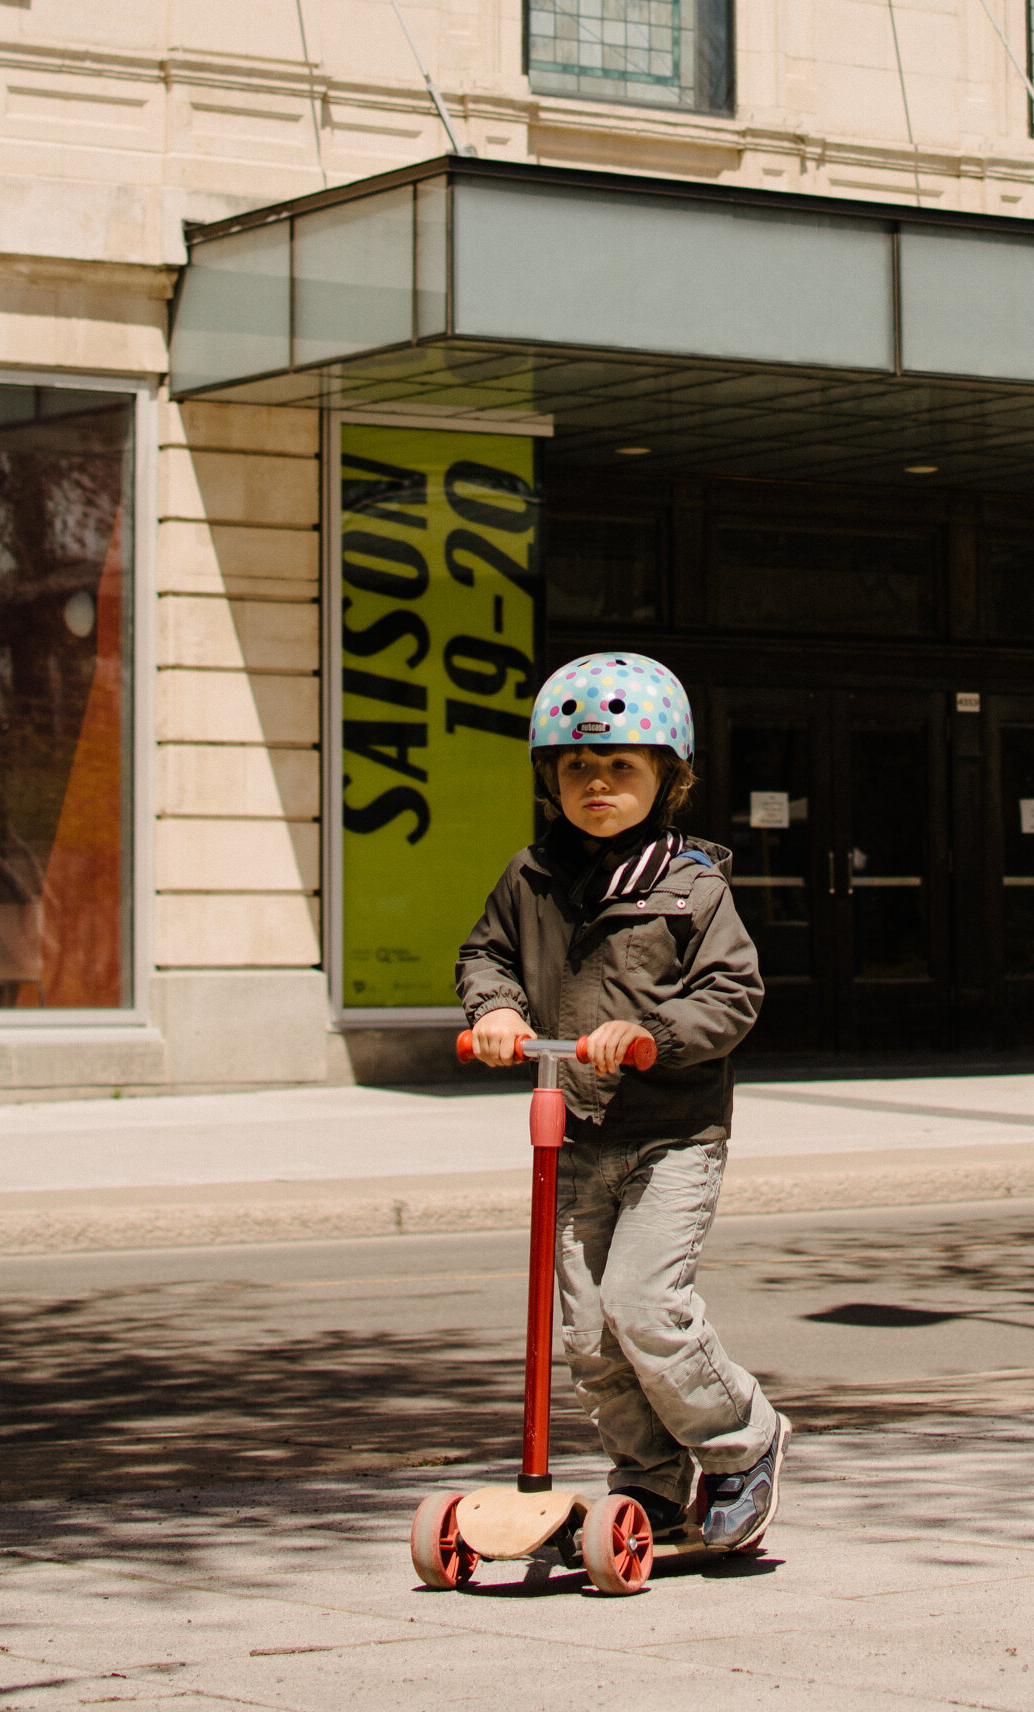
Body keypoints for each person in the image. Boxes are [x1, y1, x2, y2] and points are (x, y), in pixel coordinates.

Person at [457, 650, 791, 1551]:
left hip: (670, 1135)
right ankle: (646, 1480)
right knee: (591, 1337)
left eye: (621, 766)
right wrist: (494, 1006)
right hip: (574, 1133)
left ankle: (739, 1444)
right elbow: (485, 953)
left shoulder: (693, 886)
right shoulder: (530, 878)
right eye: (576, 767)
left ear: (668, 778)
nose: (596, 783)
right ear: (550, 778)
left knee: (644, 1305)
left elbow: (733, 994)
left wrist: (654, 1036)